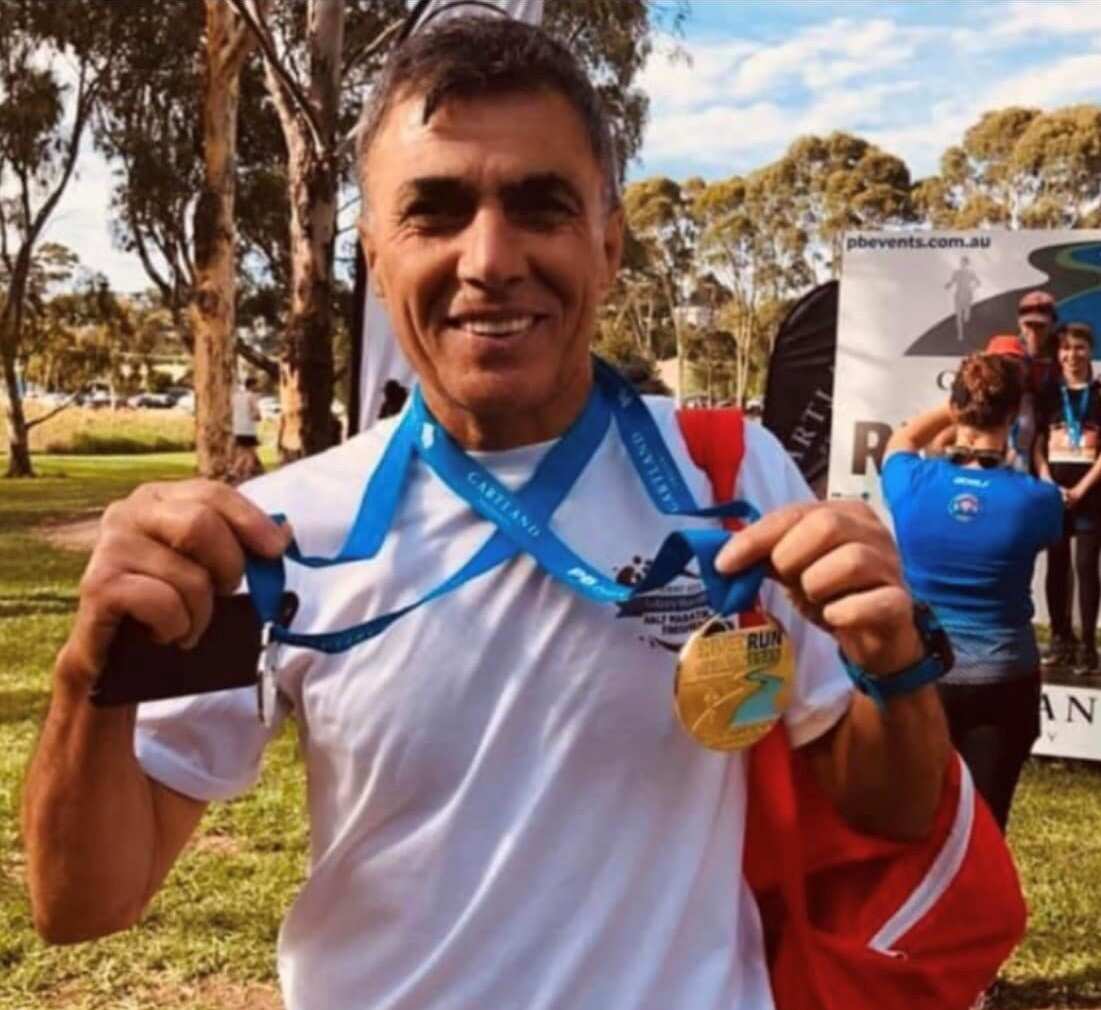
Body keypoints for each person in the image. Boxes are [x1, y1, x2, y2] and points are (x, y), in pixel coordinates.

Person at [22, 18, 951, 1010]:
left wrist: (892, 662)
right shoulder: (280, 530)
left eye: (540, 206)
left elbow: (892, 806)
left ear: (606, 243)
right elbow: (84, 900)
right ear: (375, 255)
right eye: (437, 211)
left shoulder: (730, 475)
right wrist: (89, 673)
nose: (490, 258)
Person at [882, 353, 1062, 832]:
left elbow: (904, 439)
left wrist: (955, 412)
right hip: (1002, 681)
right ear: (1014, 416)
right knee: (983, 829)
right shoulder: (1036, 500)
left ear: (956, 408)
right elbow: (1049, 509)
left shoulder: (911, 481)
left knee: (913, 826)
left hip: (918, 678)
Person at [1035, 322, 1101, 673]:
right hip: (1054, 495)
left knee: (1087, 569)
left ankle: (1088, 645)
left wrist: (1082, 488)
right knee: (1057, 568)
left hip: (1090, 496)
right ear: (1057, 354)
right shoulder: (1048, 394)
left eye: (1079, 348)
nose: (1071, 355)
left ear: (1090, 351)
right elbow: (1036, 445)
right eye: (1065, 349)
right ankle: (1061, 639)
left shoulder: (1100, 392)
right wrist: (1047, 482)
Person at [230, 376, 263, 483]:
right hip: (248, 428)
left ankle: (235, 472)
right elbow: (255, 413)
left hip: (238, 428)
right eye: (257, 384)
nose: (259, 386)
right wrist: (258, 417)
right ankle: (247, 473)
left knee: (244, 452)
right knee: (250, 452)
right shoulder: (252, 397)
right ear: (252, 385)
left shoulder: (236, 397)